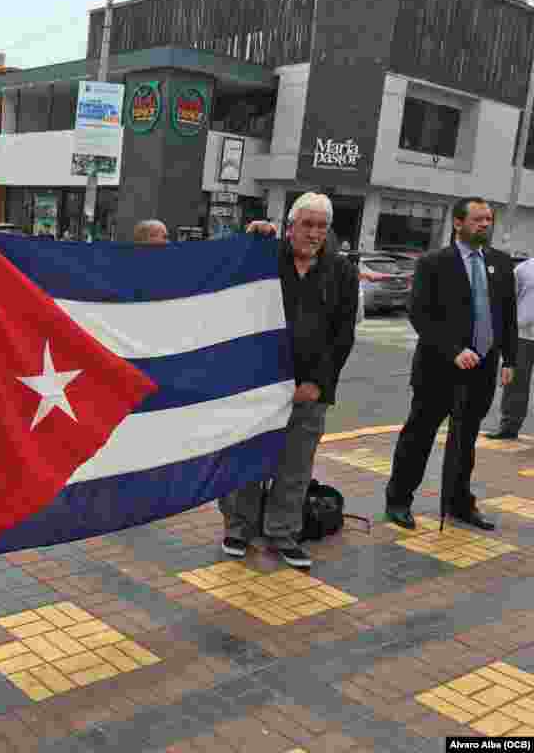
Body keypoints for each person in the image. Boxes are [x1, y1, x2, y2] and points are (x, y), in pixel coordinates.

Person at [219, 193, 359, 568]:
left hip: (309, 391)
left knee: (295, 466)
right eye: (306, 224)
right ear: (290, 226)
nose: (313, 233)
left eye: (321, 227)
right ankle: (239, 527)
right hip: (258, 385)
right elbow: (232, 281)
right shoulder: (265, 258)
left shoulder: (341, 271)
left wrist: (316, 384)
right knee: (245, 460)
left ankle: (283, 533)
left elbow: (342, 336)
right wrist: (251, 233)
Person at [385, 197, 517, 531]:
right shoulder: (434, 262)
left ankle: (458, 502)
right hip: (438, 368)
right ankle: (399, 500)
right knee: (419, 435)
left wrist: (510, 358)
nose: (485, 224)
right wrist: (453, 350)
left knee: (465, 439)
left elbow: (507, 316)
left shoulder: (500, 263)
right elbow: (419, 314)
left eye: (488, 219)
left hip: (483, 368)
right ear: (458, 223)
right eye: (478, 219)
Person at [486, 255, 534, 439]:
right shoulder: (524, 269)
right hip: (522, 336)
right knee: (515, 384)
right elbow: (508, 300)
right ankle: (509, 427)